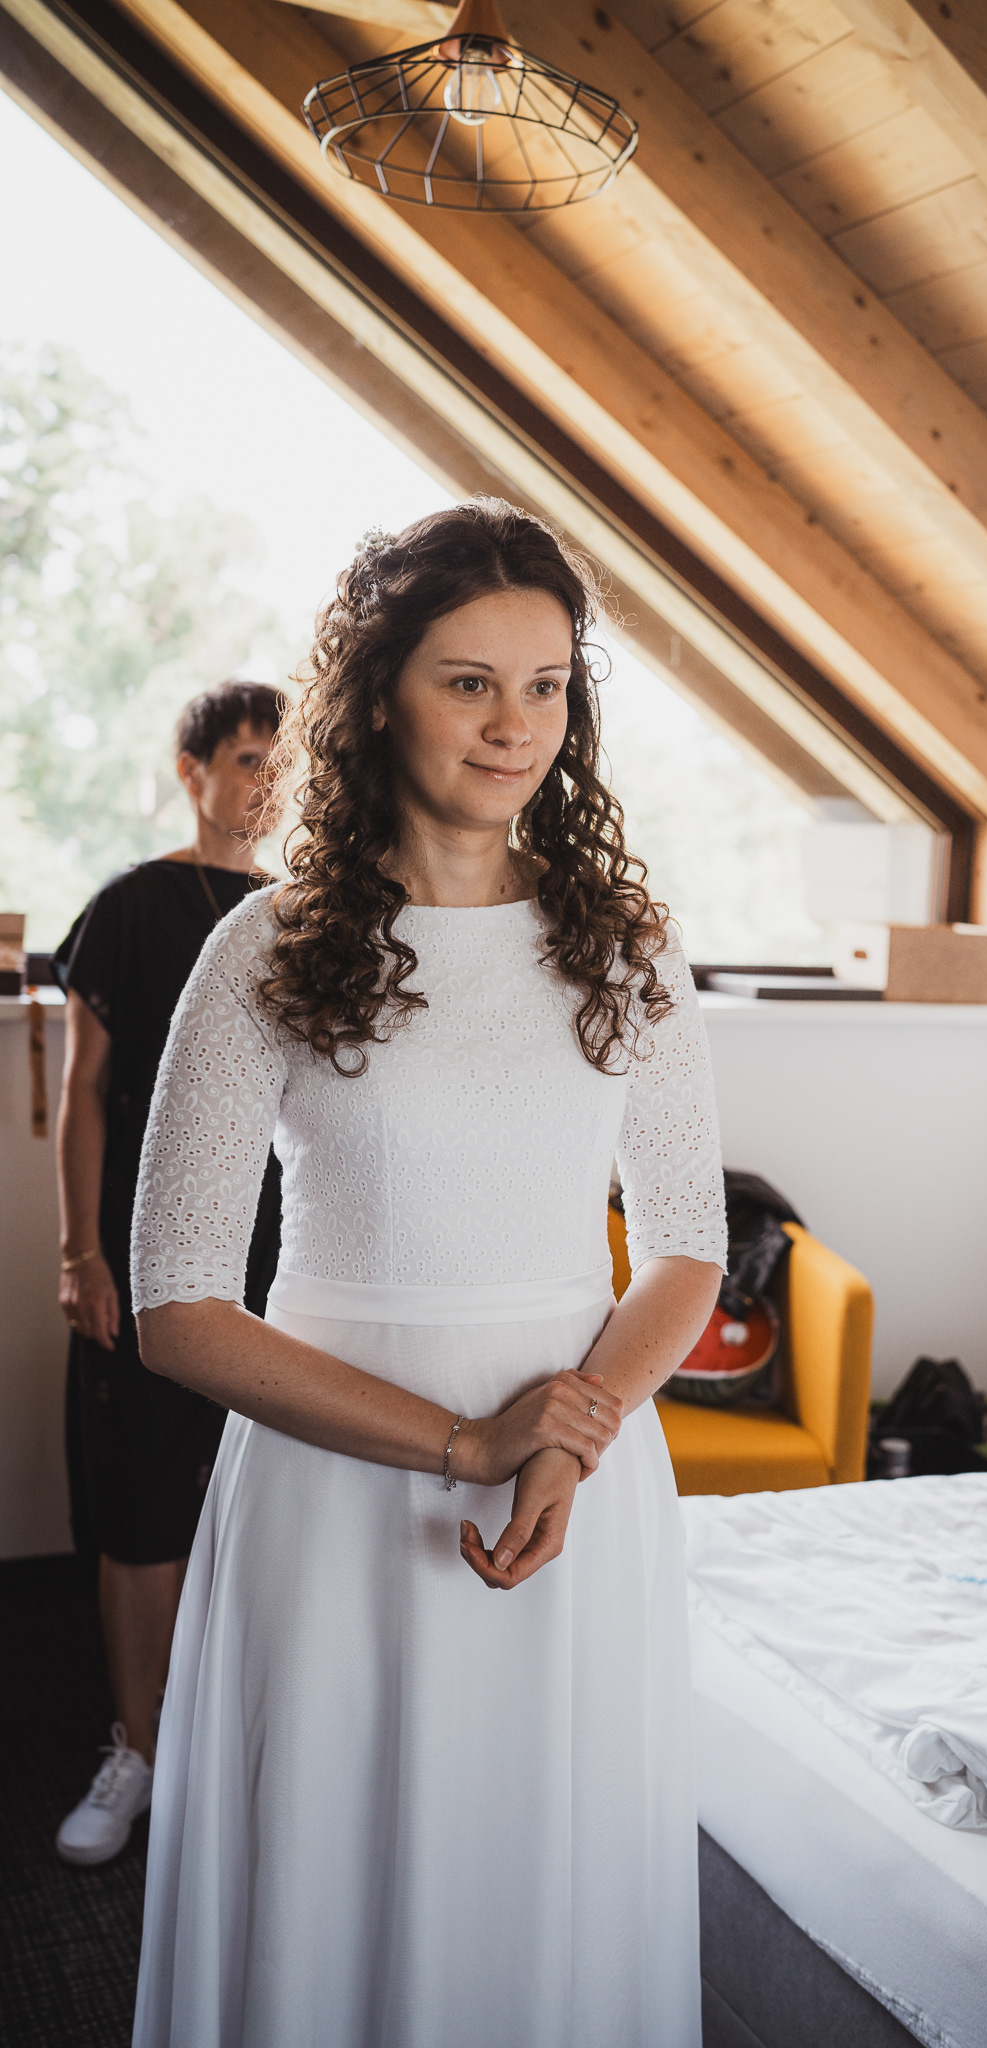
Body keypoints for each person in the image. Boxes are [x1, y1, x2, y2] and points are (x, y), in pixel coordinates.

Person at [128, 502, 727, 2048]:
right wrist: (467, 1443)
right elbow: (177, 1308)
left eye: (547, 685)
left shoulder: (628, 946)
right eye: (470, 683)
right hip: (337, 1493)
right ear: (379, 694)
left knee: (538, 1886)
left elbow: (687, 1243)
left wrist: (568, 1434)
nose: (515, 725)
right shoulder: (265, 949)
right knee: (330, 1888)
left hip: (578, 1487)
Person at [53, 681, 285, 1866]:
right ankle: (139, 1747)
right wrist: (80, 1251)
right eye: (244, 758)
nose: (263, 782)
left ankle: (242, 1750)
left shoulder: (305, 911)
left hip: (278, 1256)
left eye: (279, 762)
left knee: (262, 1506)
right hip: (141, 1256)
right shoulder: (133, 906)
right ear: (192, 771)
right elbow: (84, 1092)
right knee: (139, 1506)